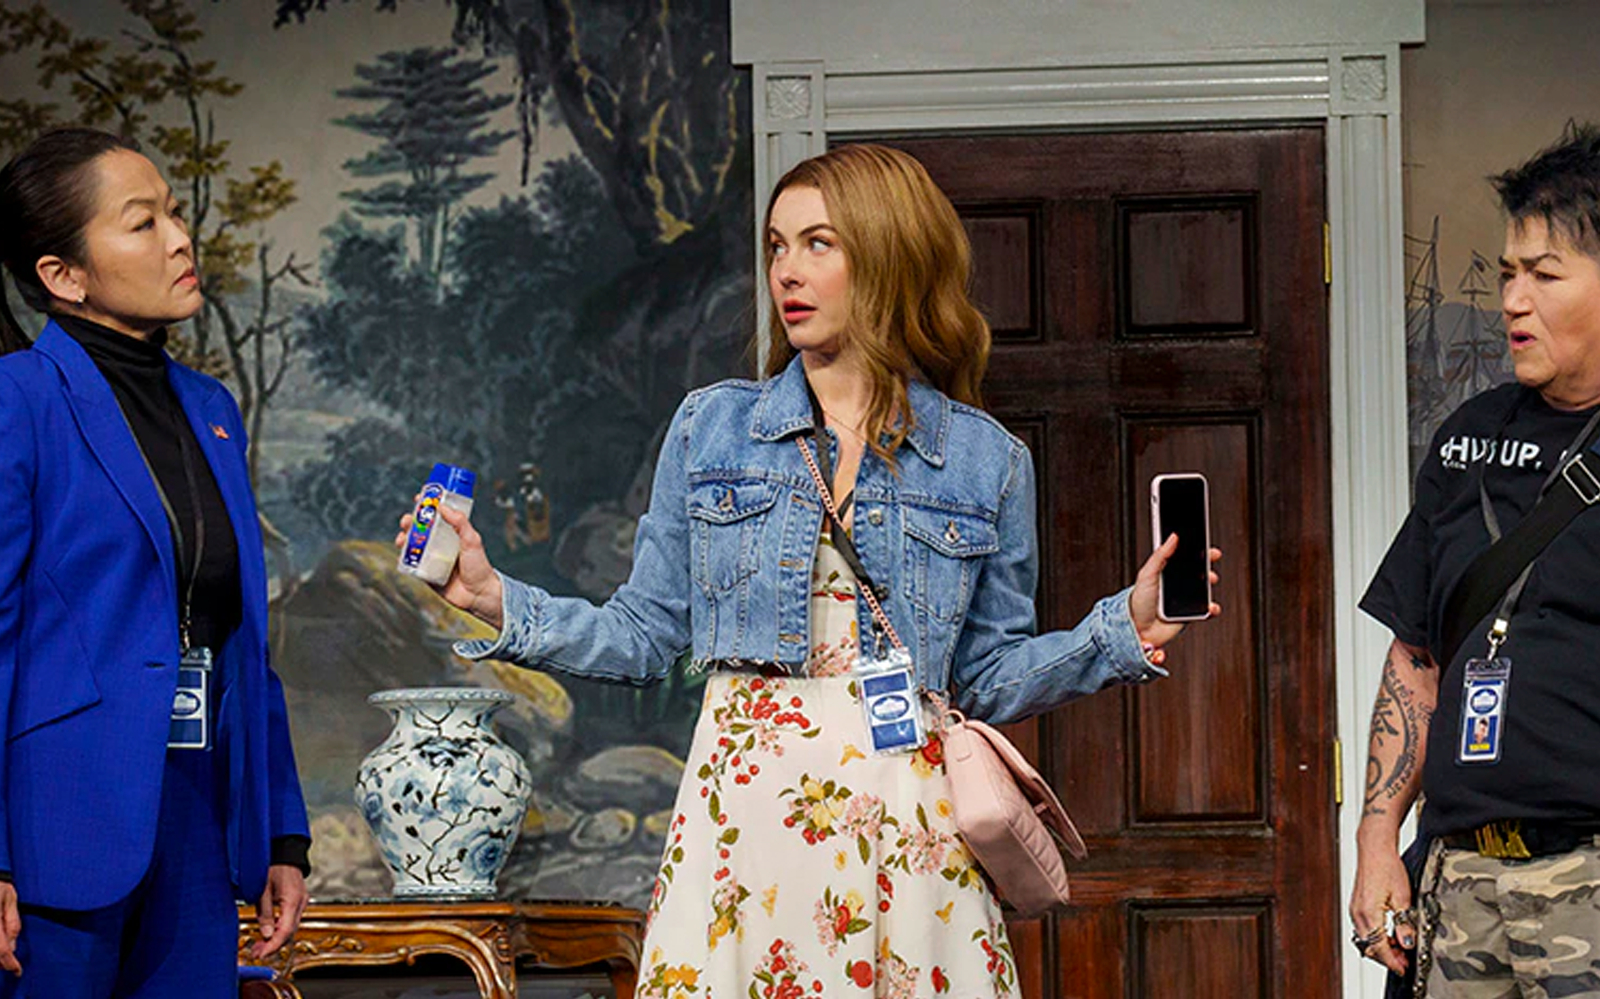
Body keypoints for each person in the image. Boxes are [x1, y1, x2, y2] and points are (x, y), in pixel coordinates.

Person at [406, 143, 1221, 996]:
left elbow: (985, 673)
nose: (786, 272)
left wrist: (1120, 629)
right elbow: (643, 634)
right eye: (776, 246)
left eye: (818, 243)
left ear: (889, 256)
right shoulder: (712, 428)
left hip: (907, 822)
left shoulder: (986, 461)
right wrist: (492, 597)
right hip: (746, 821)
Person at [0, 128, 311, 997]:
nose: (180, 238)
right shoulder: (18, 399)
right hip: (55, 837)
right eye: (143, 223)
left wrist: (282, 832)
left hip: (199, 823)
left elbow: (244, 635)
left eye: (174, 213)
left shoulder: (212, 408)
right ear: (64, 275)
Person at [1352, 122, 1600, 997]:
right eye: (1506, 274)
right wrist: (1376, 839)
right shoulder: (1466, 439)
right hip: (1458, 881)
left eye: (1544, 275)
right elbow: (1416, 654)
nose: (1513, 301)